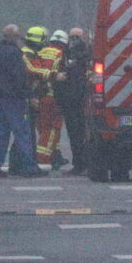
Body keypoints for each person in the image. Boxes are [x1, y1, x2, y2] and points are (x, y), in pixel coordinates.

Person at [0, 24, 41, 178]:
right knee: (22, 132)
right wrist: (29, 95)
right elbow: (19, 77)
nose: (19, 39)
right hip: (15, 99)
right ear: (13, 37)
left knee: (2, 134)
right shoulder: (15, 54)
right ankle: (28, 167)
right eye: (17, 36)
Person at [55, 27, 92, 176]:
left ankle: (87, 164)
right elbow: (60, 77)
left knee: (86, 135)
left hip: (84, 101)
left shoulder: (89, 55)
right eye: (72, 37)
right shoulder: (65, 55)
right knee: (74, 135)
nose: (75, 40)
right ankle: (79, 164)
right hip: (70, 101)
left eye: (77, 37)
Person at [34, 31, 69, 168]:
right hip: (54, 97)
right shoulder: (61, 54)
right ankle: (43, 158)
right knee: (53, 128)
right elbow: (64, 77)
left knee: (44, 127)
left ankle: (55, 155)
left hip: (40, 96)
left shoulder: (41, 52)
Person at [21, 25, 50, 162]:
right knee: (28, 130)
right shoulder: (26, 54)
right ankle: (27, 160)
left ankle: (31, 159)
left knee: (31, 128)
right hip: (28, 96)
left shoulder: (33, 53)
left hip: (33, 95)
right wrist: (50, 74)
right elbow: (31, 69)